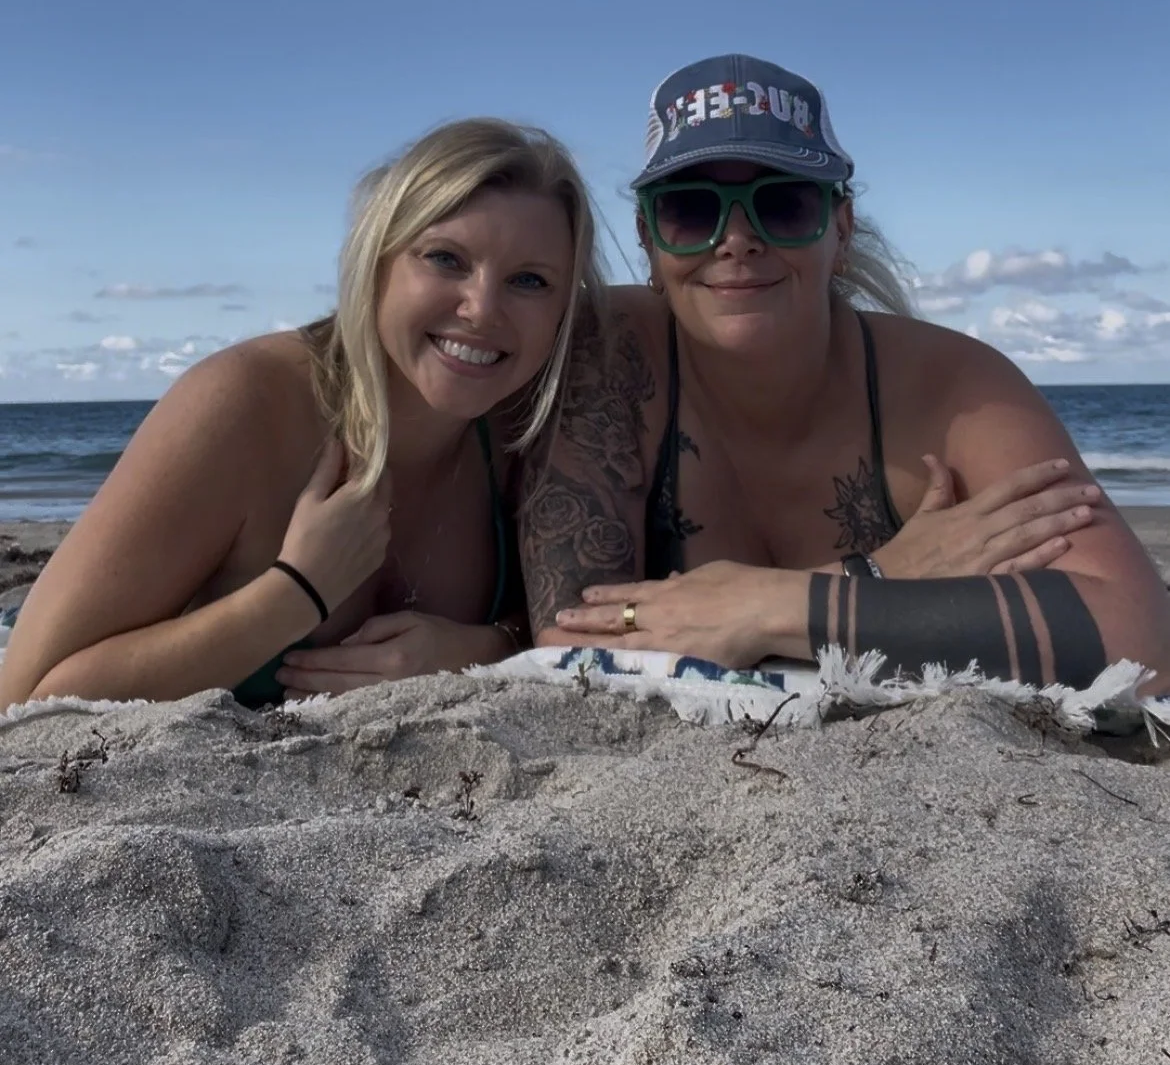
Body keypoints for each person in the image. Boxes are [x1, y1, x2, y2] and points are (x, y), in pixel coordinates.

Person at [521, 53, 1170, 692]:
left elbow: (1142, 639)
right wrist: (884, 572)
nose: (737, 238)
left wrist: (770, 607)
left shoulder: (951, 388)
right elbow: (569, 643)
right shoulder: (607, 355)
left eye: (784, 205)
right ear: (648, 241)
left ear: (842, 228)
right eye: (690, 209)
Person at [0, 119, 604, 708]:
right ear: (376, 260)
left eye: (529, 280)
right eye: (445, 259)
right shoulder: (245, 404)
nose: (481, 308)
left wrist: (483, 647)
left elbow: (593, 621)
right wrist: (294, 595)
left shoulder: (528, 429)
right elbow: (25, 699)